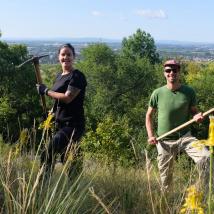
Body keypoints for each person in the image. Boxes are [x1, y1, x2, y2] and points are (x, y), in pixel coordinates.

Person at [145, 59, 209, 192]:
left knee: (205, 157)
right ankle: (167, 204)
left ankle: (198, 191)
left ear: (179, 72)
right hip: (164, 140)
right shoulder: (157, 93)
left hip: (185, 138)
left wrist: (197, 115)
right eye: (168, 70)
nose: (171, 73)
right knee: (165, 181)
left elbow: (194, 111)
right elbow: (149, 115)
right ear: (164, 73)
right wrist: (151, 136)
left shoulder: (189, 92)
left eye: (175, 70)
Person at [36, 43, 87, 180]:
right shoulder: (59, 76)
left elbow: (67, 98)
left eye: (69, 54)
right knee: (70, 160)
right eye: (63, 54)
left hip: (73, 125)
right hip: (60, 124)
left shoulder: (77, 76)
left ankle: (42, 184)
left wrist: (46, 91)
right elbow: (58, 101)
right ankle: (73, 188)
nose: (66, 57)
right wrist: (50, 114)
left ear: (74, 57)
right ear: (58, 57)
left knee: (48, 152)